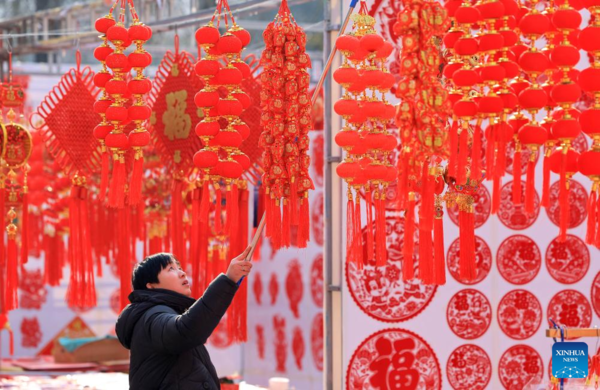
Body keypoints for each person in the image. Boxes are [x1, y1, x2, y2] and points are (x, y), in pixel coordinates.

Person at [115, 248, 252, 390]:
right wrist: (228, 280)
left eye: (179, 267)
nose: (182, 273)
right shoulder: (151, 316)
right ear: (151, 286)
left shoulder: (162, 313)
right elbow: (184, 330)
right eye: (171, 269)